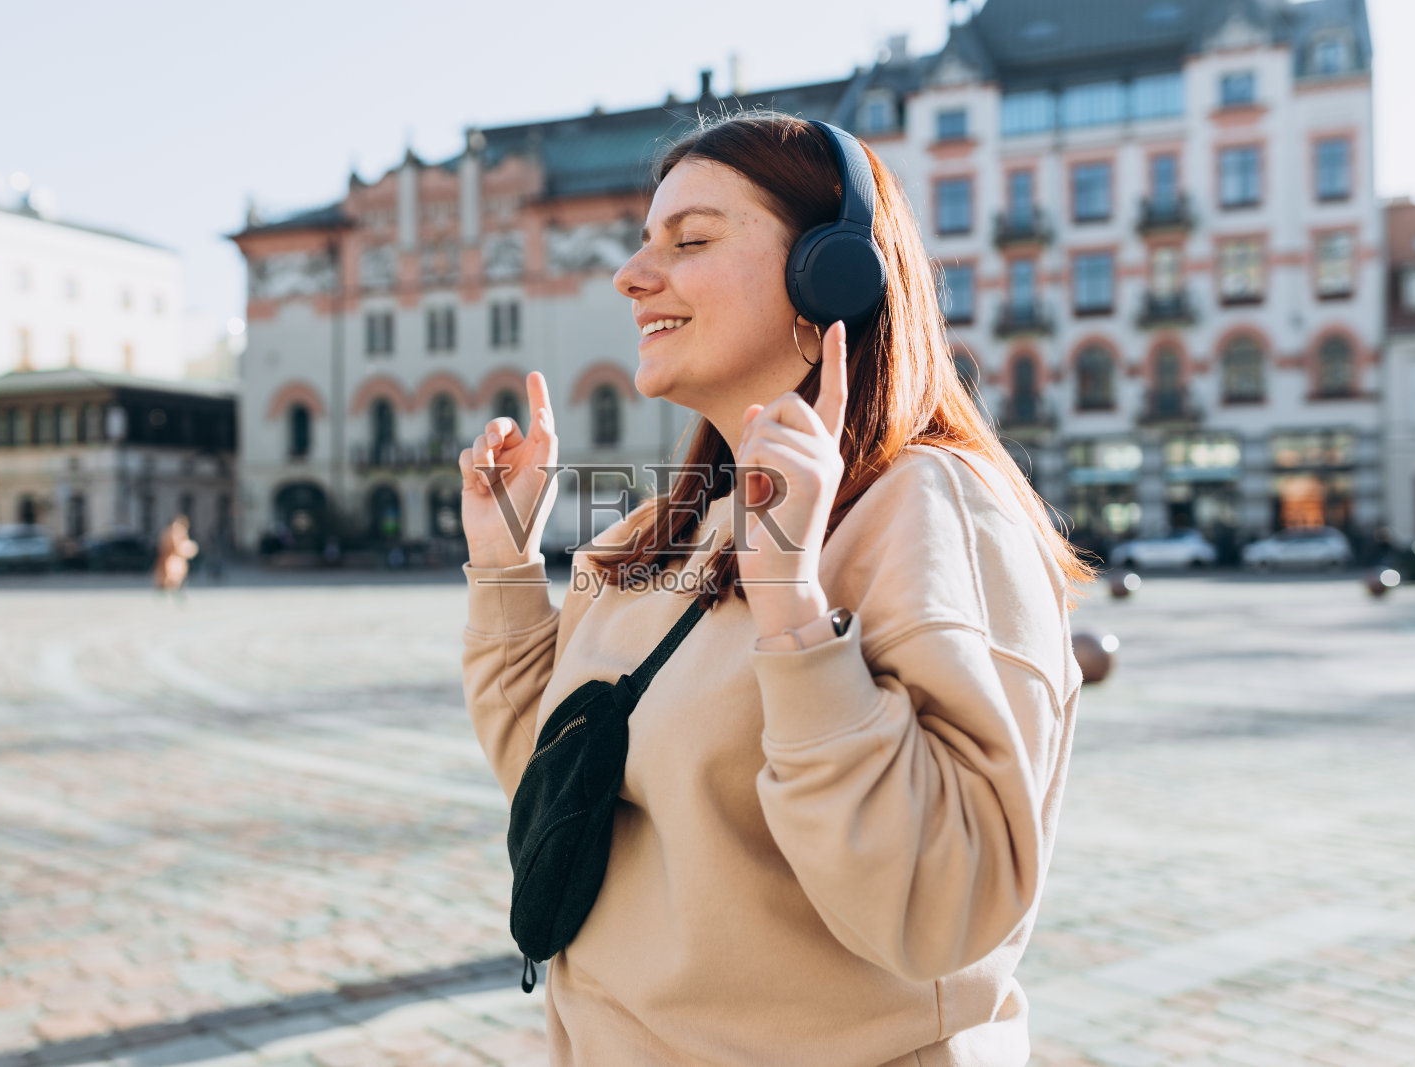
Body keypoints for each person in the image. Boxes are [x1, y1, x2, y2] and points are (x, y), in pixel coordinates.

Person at [457, 113, 1092, 1066]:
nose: (634, 274)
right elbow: (559, 788)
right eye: (643, 241)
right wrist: (505, 560)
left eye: (692, 240)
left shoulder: (930, 509)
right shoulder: (665, 526)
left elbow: (942, 903)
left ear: (828, 279)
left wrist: (794, 609)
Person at [152, 514, 198, 598]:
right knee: (172, 580)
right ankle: (169, 592)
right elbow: (172, 547)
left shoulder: (171, 532)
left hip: (174, 560)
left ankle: (170, 592)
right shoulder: (175, 532)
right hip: (173, 560)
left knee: (173, 580)